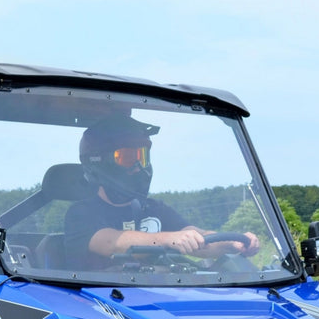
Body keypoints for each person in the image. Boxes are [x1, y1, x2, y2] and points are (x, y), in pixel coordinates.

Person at [64, 115, 259, 270]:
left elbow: (194, 236)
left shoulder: (154, 209)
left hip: (154, 300)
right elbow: (112, 242)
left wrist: (232, 243)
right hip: (96, 305)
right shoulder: (81, 214)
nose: (139, 167)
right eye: (128, 158)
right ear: (98, 161)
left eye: (143, 156)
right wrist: (169, 239)